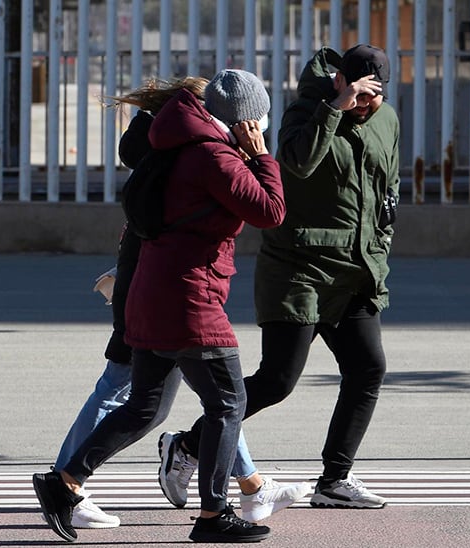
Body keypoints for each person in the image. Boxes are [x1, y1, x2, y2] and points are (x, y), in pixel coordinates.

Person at [32, 69, 291, 544]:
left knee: (144, 408)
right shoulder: (213, 156)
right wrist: (261, 156)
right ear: (245, 119)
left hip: (154, 291)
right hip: (190, 298)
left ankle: (63, 481)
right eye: (260, 118)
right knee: (228, 404)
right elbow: (270, 212)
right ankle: (214, 515)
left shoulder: (173, 142)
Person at [159, 43, 399, 510]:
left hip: (355, 271)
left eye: (375, 94)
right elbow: (297, 163)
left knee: (368, 368)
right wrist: (335, 109)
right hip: (299, 268)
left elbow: (386, 187)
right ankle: (185, 446)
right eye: (358, 91)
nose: (367, 103)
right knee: (277, 380)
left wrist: (381, 244)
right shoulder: (305, 112)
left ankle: (335, 480)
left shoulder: (386, 119)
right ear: (339, 81)